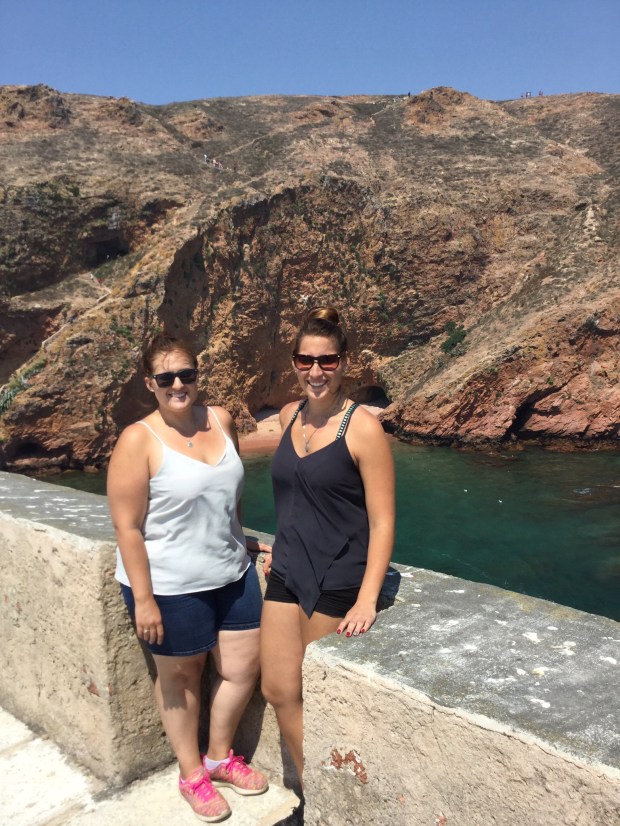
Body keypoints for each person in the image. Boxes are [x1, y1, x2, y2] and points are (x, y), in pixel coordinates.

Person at [107, 332, 269, 823]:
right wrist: (144, 600)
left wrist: (238, 535)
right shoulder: (139, 440)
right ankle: (191, 774)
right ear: (149, 383)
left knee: (242, 668)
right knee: (182, 679)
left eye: (186, 374)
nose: (178, 384)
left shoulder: (221, 419)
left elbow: (230, 493)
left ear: (198, 376)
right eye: (166, 377)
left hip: (231, 571)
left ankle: (219, 758)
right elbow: (127, 527)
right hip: (170, 585)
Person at [260, 307, 395, 814]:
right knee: (278, 688)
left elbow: (382, 521)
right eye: (305, 360)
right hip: (288, 569)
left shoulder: (362, 428)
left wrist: (367, 599)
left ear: (344, 363)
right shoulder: (288, 416)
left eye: (327, 361)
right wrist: (281, 542)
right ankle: (312, 798)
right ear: (294, 362)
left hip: (338, 577)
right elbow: (294, 493)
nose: (315, 371)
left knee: (315, 697)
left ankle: (322, 809)